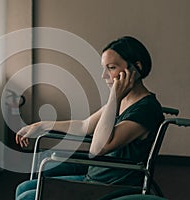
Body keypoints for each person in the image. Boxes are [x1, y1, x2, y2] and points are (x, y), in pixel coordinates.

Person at [15, 36, 164, 200]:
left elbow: (98, 148)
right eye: (104, 68)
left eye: (111, 68)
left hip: (112, 187)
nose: (104, 75)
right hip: (95, 178)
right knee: (24, 188)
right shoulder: (124, 101)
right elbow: (85, 126)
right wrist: (41, 125)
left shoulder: (146, 109)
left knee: (27, 197)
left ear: (136, 68)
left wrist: (114, 98)